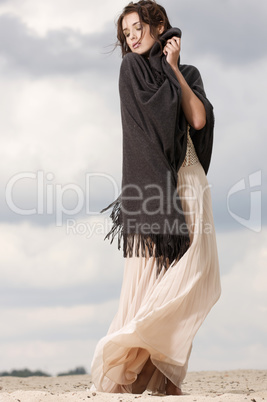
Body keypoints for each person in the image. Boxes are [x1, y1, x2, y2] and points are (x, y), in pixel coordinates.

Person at [90, 0, 221, 396]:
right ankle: (124, 346)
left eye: (137, 29)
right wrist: (164, 70)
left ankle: (160, 377)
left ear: (159, 25)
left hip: (191, 181)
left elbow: (197, 119)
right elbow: (158, 125)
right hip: (151, 188)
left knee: (196, 272)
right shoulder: (130, 69)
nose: (131, 38)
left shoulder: (187, 72)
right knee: (147, 280)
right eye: (125, 33)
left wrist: (175, 70)